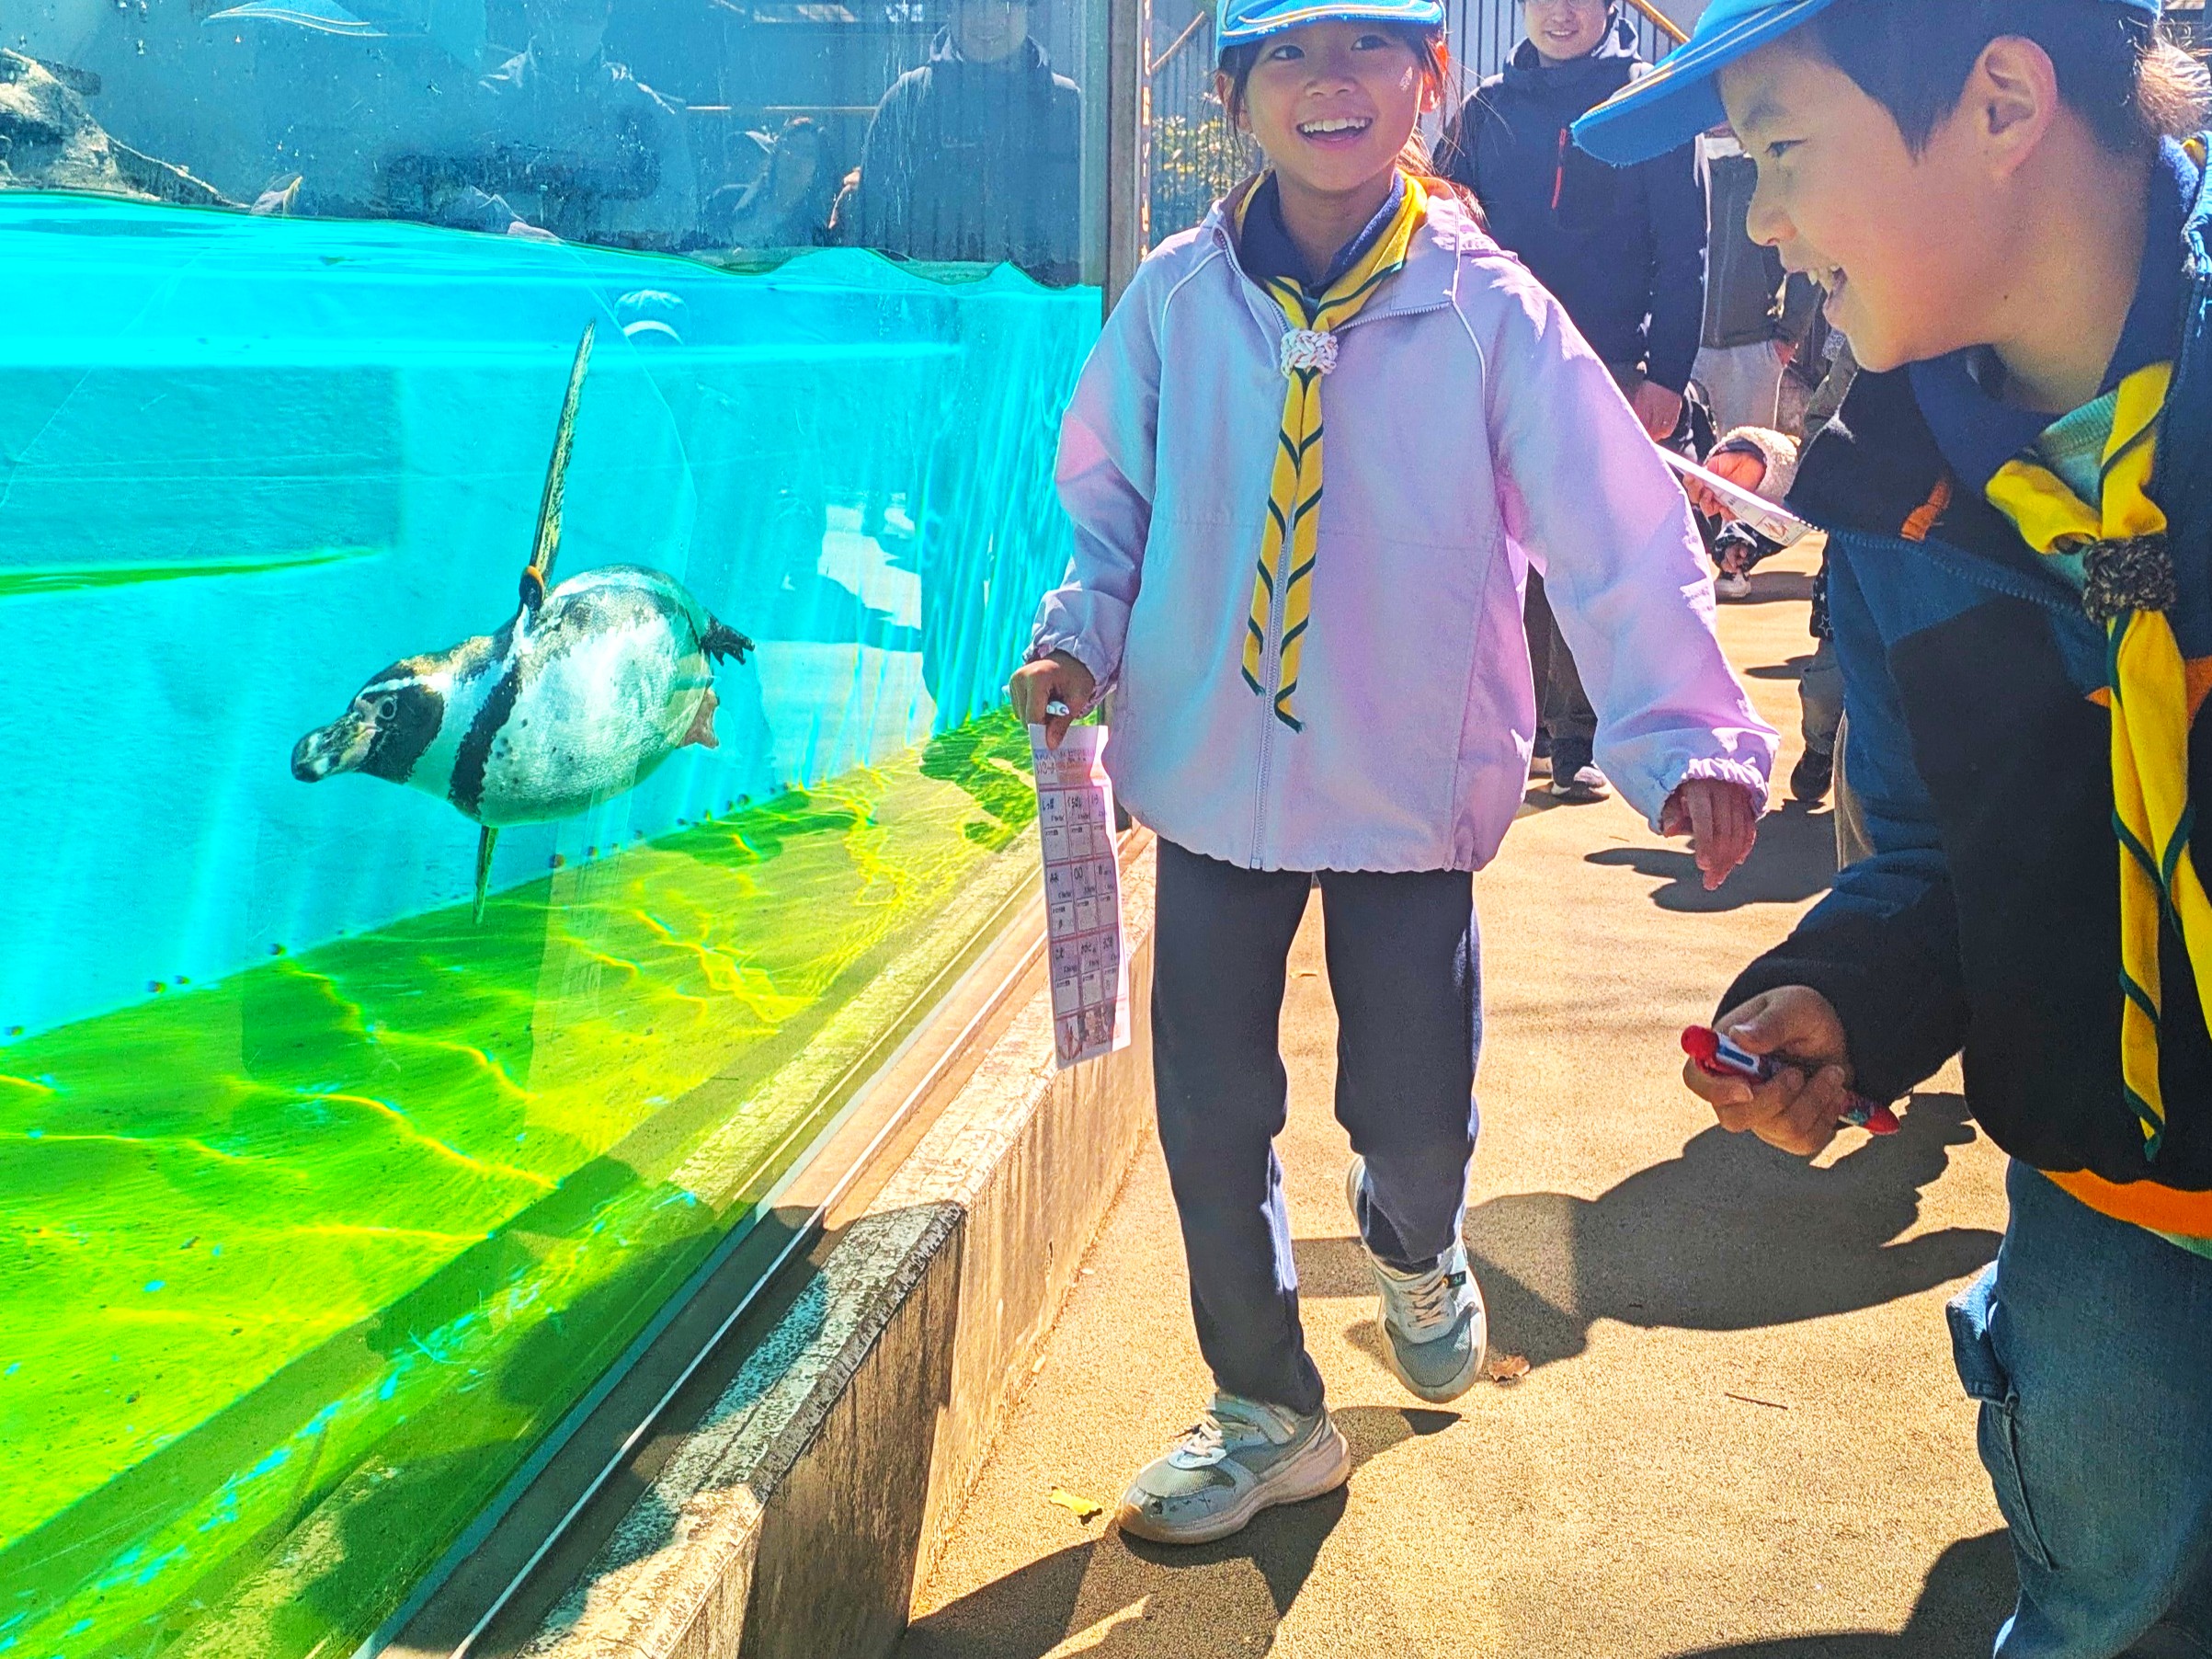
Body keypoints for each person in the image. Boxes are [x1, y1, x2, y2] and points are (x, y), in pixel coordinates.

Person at [1010, 0, 1775, 1548]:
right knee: (1209, 1108)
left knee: (1411, 1114)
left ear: (1430, 79)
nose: (1329, 83)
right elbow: (1111, 505)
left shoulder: (1486, 307)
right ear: (1233, 93)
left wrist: (1685, 730)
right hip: (1215, 776)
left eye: (1368, 47)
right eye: (1287, 54)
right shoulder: (1175, 300)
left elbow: (1611, 524)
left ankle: (1417, 1249)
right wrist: (1080, 638)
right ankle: (1264, 1407)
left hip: (1407, 777)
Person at [1577, 2, 2212, 1653]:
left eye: (1782, 150)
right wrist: (1842, 997)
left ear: (2001, 99)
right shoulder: (1893, 495)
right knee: (2104, 1570)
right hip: (2112, 1185)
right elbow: (1930, 854)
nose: (1764, 225)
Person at [1434, 0, 1709, 803]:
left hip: (1608, 370)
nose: (1560, 11)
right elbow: (1441, 226)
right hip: (1495, 365)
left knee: (1587, 553)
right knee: (1502, 549)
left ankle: (1577, 736)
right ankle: (1512, 727)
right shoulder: (1485, 110)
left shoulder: (1649, 102)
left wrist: (1668, 373)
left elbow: (1685, 250)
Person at [843, 0, 1083, 282]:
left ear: (1028, 9)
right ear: (950, 10)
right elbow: (872, 241)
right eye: (971, 3)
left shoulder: (1069, 108)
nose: (987, 16)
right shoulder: (907, 103)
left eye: (1004, 3)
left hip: (1043, 307)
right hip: (926, 303)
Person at [472, 0, 697, 251]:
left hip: (617, 270)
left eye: (590, 7)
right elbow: (448, 195)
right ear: (534, 10)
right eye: (564, 6)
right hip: (510, 266)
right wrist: (503, 225)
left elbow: (678, 220)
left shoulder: (653, 120)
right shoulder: (489, 103)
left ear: (607, 12)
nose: (578, 18)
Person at [707, 117, 838, 251]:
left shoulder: (817, 235)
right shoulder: (722, 201)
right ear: (777, 152)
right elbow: (698, 250)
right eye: (790, 147)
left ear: (818, 169)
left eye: (807, 153)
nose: (795, 157)